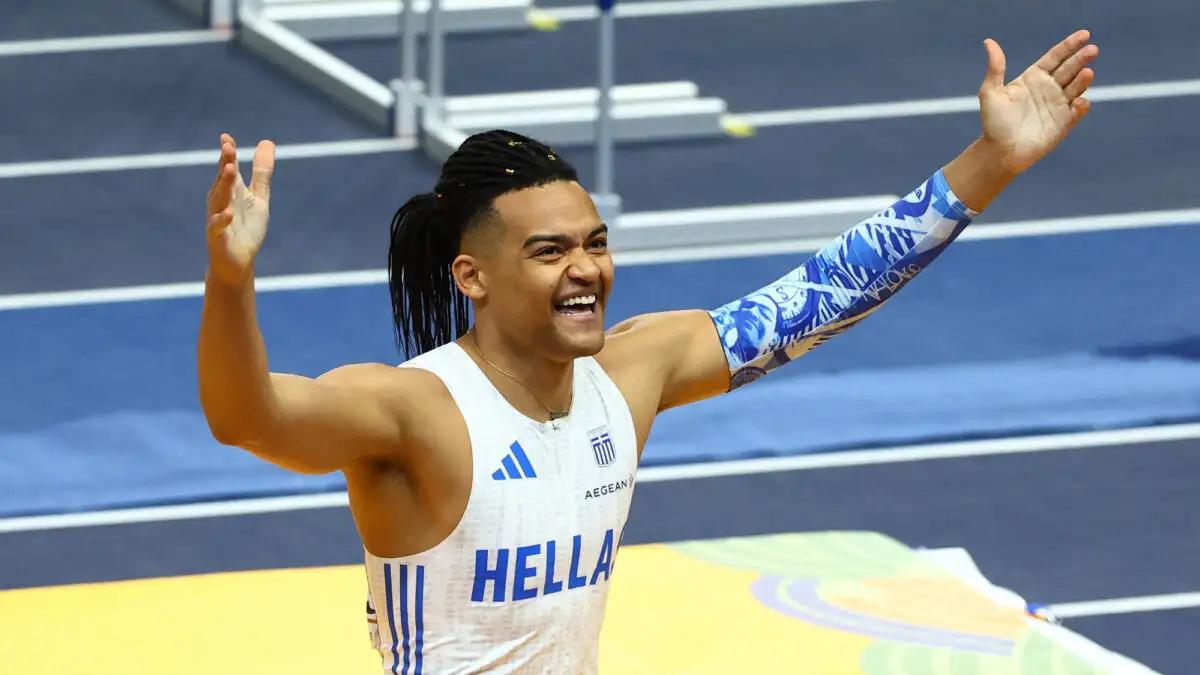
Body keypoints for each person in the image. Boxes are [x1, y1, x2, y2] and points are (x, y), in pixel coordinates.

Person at [199, 31, 1098, 674]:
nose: (586, 268)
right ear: (472, 276)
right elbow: (248, 418)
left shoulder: (631, 373)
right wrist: (231, 281)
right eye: (549, 251)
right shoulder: (415, 410)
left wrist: (991, 162)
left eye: (595, 242)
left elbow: (822, 296)